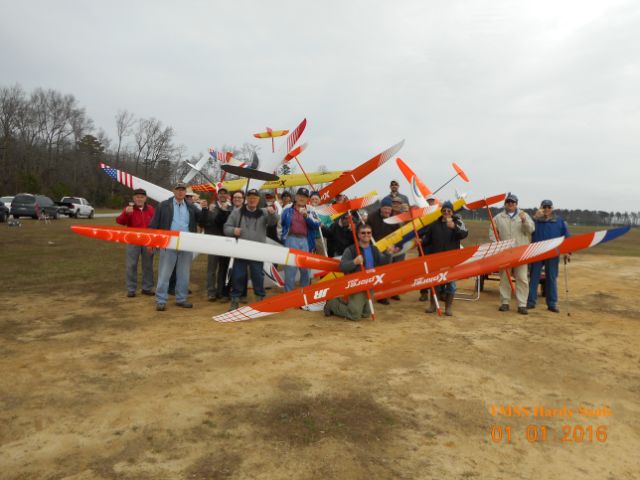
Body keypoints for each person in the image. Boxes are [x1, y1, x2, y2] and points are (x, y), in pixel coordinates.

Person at [323, 223, 394, 320]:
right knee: (355, 315)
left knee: (365, 314)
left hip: (370, 283)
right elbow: (342, 267)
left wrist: (389, 254)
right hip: (357, 284)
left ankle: (345, 302)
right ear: (358, 235)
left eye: (369, 233)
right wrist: (354, 262)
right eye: (363, 233)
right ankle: (332, 304)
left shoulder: (374, 249)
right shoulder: (351, 250)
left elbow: (383, 262)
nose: (366, 235)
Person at [224, 189, 279, 310]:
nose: (252, 199)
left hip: (257, 250)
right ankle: (235, 300)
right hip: (241, 249)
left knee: (258, 276)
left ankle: (260, 299)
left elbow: (273, 222)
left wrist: (272, 213)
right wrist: (233, 231)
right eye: (250, 197)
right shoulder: (237, 212)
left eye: (255, 197)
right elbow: (226, 228)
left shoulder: (264, 212)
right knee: (238, 275)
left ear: (258, 200)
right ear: (246, 199)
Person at [149, 182, 198, 311]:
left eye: (183, 190)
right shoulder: (163, 205)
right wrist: (151, 242)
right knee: (165, 273)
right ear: (173, 191)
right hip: (168, 242)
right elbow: (154, 224)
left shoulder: (191, 207)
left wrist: (204, 207)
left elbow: (204, 219)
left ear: (185, 192)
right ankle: (161, 300)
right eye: (178, 190)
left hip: (186, 243)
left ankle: (181, 299)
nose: (181, 192)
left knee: (183, 273)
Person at [420, 200, 468, 316]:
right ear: (441, 212)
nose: (446, 212)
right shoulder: (434, 225)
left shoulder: (456, 223)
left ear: (452, 212)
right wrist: (421, 241)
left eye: (449, 211)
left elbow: (464, 234)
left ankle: (448, 307)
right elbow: (428, 240)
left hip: (451, 259)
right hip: (437, 258)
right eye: (444, 210)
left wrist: (454, 227)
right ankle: (433, 305)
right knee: (435, 282)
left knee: (450, 283)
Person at [491, 193, 535, 315]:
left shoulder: (524, 215)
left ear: (516, 204)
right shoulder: (498, 218)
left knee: (522, 278)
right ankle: (505, 302)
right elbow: (492, 233)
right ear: (505, 204)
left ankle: (522, 304)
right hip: (504, 253)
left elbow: (531, 230)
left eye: (513, 202)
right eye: (508, 202)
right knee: (505, 278)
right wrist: (498, 246)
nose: (510, 204)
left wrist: (524, 220)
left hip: (520, 252)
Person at [527, 199, 570, 313]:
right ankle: (531, 301)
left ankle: (552, 303)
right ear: (540, 208)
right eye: (544, 207)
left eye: (548, 207)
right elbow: (526, 229)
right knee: (534, 278)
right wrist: (534, 218)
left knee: (551, 278)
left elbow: (567, 237)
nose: (546, 209)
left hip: (552, 253)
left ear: (552, 208)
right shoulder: (535, 220)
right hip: (537, 252)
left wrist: (567, 252)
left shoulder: (560, 221)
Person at [115, 188, 155, 297]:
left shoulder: (151, 209)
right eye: (137, 197)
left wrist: (153, 241)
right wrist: (126, 214)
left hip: (148, 240)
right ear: (134, 198)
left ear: (145, 198)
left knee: (148, 265)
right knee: (131, 265)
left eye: (142, 197)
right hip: (133, 240)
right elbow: (119, 221)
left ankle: (147, 288)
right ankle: (131, 289)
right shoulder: (129, 209)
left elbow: (155, 224)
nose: (139, 199)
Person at [280, 188, 320, 291]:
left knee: (305, 269)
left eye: (305, 196)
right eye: (300, 195)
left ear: (307, 199)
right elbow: (280, 225)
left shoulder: (311, 210)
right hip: (291, 238)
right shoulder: (288, 209)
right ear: (296, 197)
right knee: (290, 268)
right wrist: (283, 239)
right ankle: (288, 294)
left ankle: (304, 293)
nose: (302, 198)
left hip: (305, 241)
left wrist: (306, 216)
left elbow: (316, 225)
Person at [198, 187, 232, 302]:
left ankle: (220, 291)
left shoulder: (231, 208)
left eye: (225, 193)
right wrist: (207, 210)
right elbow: (205, 223)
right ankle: (211, 292)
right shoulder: (211, 207)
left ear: (227, 195)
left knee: (223, 269)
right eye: (220, 193)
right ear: (218, 195)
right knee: (211, 268)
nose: (222, 195)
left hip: (226, 242)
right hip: (213, 241)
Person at [368, 197, 401, 304]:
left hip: (388, 249)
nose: (387, 211)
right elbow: (366, 231)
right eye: (385, 208)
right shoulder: (372, 217)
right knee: (375, 272)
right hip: (374, 248)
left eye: (389, 209)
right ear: (381, 208)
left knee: (387, 271)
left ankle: (387, 294)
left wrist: (397, 246)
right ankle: (376, 294)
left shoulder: (394, 219)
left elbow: (399, 234)